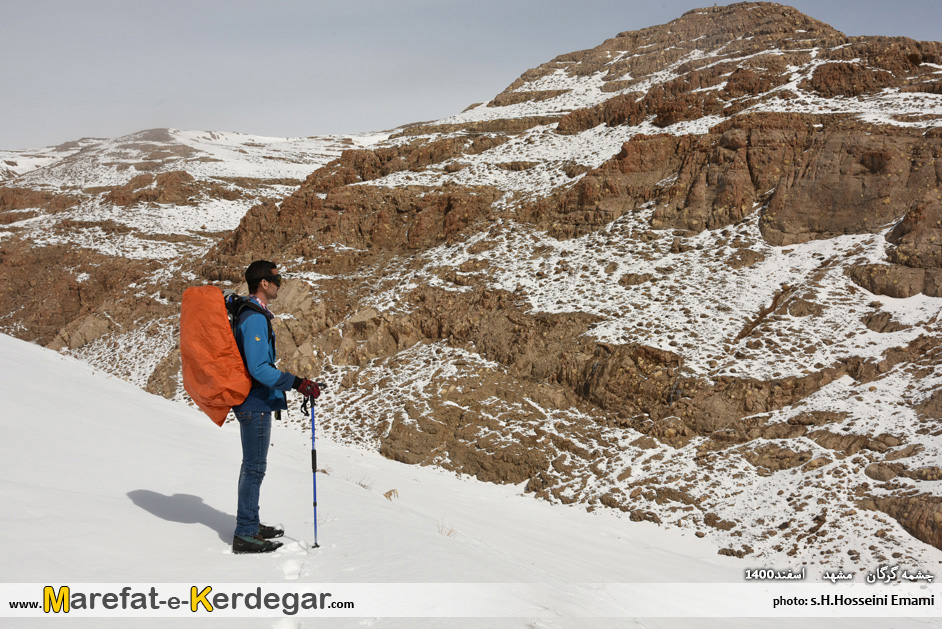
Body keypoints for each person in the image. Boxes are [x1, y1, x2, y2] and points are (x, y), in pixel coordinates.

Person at [231, 260, 320, 554]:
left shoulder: (253, 314)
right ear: (263, 284)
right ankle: (245, 532)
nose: (280, 283)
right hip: (254, 402)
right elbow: (259, 368)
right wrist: (297, 383)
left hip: (253, 401)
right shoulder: (254, 318)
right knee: (254, 469)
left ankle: (251, 524)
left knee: (254, 468)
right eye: (276, 278)